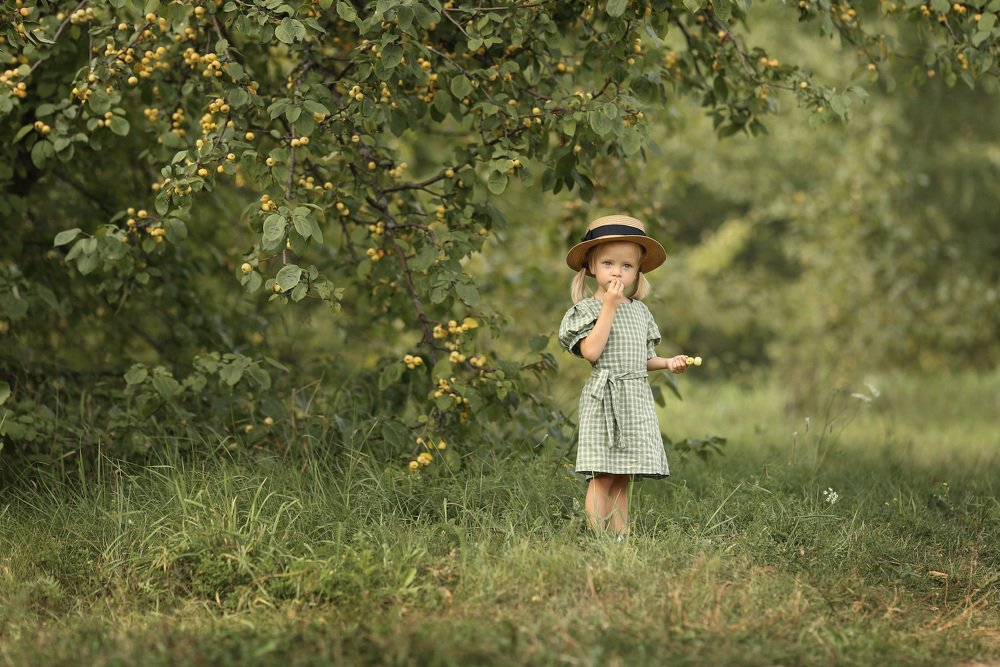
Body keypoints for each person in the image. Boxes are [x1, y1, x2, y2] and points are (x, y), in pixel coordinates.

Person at [558, 214, 691, 538]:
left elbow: (641, 358)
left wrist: (667, 362)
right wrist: (610, 306)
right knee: (602, 475)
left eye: (627, 266)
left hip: (634, 397)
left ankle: (620, 538)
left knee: (623, 475)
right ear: (591, 266)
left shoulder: (640, 310)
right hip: (605, 398)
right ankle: (598, 537)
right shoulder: (587, 311)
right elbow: (591, 351)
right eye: (608, 263)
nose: (617, 271)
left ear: (637, 271)